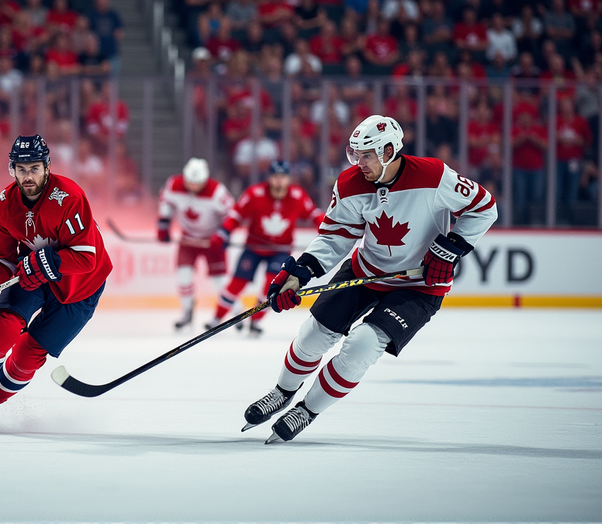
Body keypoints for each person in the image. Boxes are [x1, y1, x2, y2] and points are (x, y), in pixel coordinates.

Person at [242, 115, 497, 443]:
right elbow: (335, 237)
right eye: (354, 154)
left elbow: (484, 207)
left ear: (389, 151)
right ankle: (282, 392)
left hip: (419, 286)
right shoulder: (350, 183)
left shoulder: (434, 176)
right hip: (366, 272)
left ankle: (306, 410)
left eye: (366, 156)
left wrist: (451, 248)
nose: (358, 163)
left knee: (362, 345)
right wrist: (298, 274)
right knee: (312, 335)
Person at [0, 134, 112, 433]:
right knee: (2, 329)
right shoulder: (1, 205)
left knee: (29, 354)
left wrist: (49, 261)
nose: (28, 176)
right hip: (32, 275)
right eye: (22, 169)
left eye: (35, 168)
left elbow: (86, 258)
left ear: (47, 167)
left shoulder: (70, 198)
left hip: (81, 288)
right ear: (12, 169)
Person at [206, 161, 325, 337]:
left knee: (271, 286)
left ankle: (255, 321)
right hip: (254, 247)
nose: (278, 181)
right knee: (236, 283)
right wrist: (224, 232)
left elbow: (314, 215)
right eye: (275, 177)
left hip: (280, 251)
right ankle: (216, 319)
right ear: (270, 178)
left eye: (283, 177)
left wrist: (328, 231)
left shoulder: (297, 195)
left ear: (288, 179)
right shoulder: (255, 193)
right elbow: (236, 215)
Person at [157, 158, 235, 331]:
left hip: (211, 241)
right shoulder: (173, 185)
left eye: (197, 183)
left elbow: (231, 214)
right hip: (188, 239)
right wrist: (163, 224)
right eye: (189, 182)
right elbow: (166, 203)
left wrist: (223, 234)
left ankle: (237, 312)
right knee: (183, 276)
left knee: (220, 282)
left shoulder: (217, 191)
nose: (192, 187)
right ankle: (187, 312)